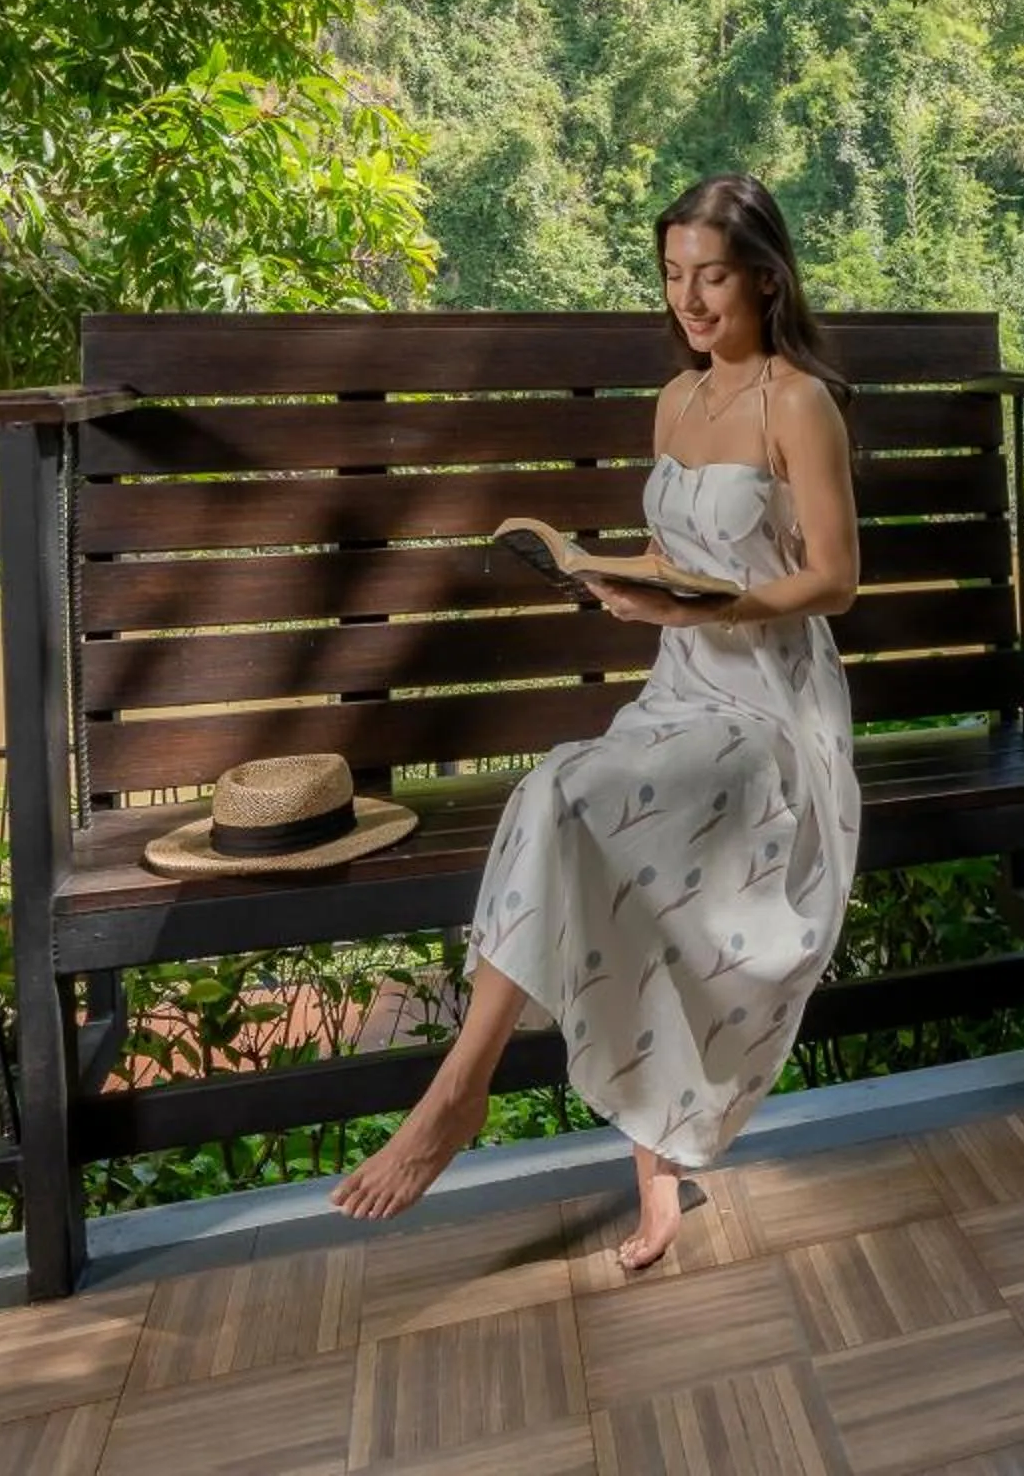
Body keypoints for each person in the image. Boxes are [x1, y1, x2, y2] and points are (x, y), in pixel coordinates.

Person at [330, 175, 860, 1269]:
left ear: (764, 273)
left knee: (571, 794)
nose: (690, 299)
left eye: (710, 275)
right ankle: (646, 1164)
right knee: (562, 805)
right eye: (673, 276)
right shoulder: (676, 400)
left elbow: (836, 582)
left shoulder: (795, 401)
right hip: (679, 689)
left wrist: (713, 606)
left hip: (767, 714)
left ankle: (456, 1095)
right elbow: (674, 554)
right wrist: (620, 579)